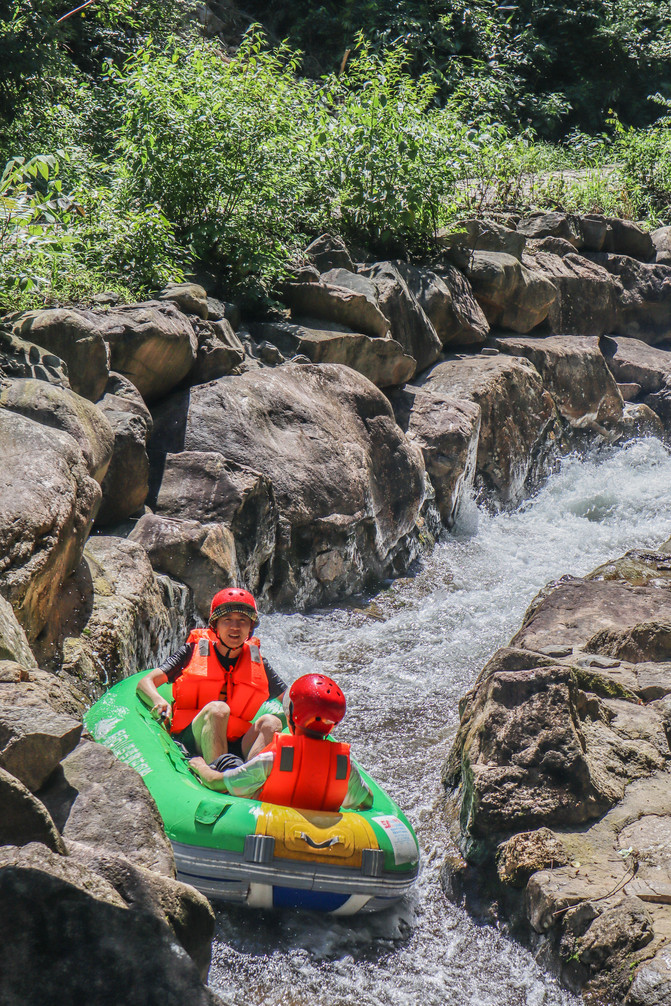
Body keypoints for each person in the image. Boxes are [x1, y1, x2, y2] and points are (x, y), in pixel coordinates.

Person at [137, 588, 285, 768]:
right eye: (227, 620)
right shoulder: (191, 651)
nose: (235, 627)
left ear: (250, 627)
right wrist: (158, 700)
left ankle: (250, 777)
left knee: (271, 722)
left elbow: (289, 699)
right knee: (218, 709)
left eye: (243, 620)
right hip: (193, 738)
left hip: (236, 742)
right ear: (216, 625)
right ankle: (218, 774)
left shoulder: (259, 662)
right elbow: (146, 682)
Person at [189, 673, 373, 812]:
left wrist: (200, 765)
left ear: (292, 716)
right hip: (324, 837)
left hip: (261, 826)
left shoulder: (273, 759)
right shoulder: (344, 765)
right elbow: (368, 801)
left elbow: (214, 782)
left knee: (228, 762)